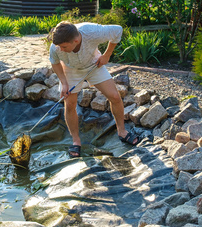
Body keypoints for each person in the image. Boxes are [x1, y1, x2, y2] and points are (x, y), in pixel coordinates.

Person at [49, 21, 139, 157]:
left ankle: (122, 132)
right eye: (59, 47)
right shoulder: (56, 47)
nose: (60, 49)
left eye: (64, 46)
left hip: (94, 64)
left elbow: (118, 30)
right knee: (70, 104)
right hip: (70, 69)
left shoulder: (91, 31)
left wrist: (107, 55)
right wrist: (64, 83)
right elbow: (55, 62)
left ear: (76, 40)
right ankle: (76, 141)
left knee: (115, 96)